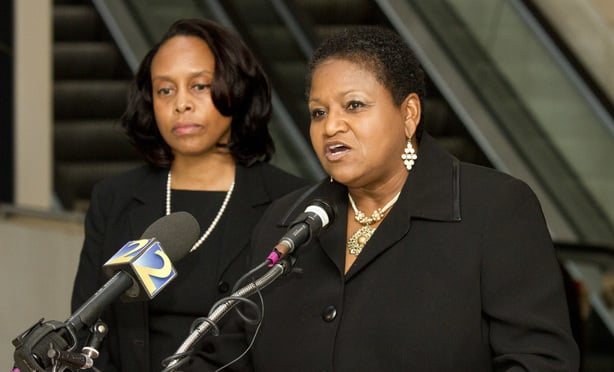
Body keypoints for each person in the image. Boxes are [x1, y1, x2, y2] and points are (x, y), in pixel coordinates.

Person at [238, 26, 580, 371]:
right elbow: (232, 351)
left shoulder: (494, 209)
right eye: (318, 112)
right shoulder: (285, 220)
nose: (330, 127)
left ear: (409, 114)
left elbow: (540, 361)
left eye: (354, 105)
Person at [70, 18, 307, 372]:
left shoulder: (290, 202)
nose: (181, 103)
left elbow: (298, 340)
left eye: (199, 86)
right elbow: (85, 331)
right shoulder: (114, 198)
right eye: (165, 90)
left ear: (236, 88)